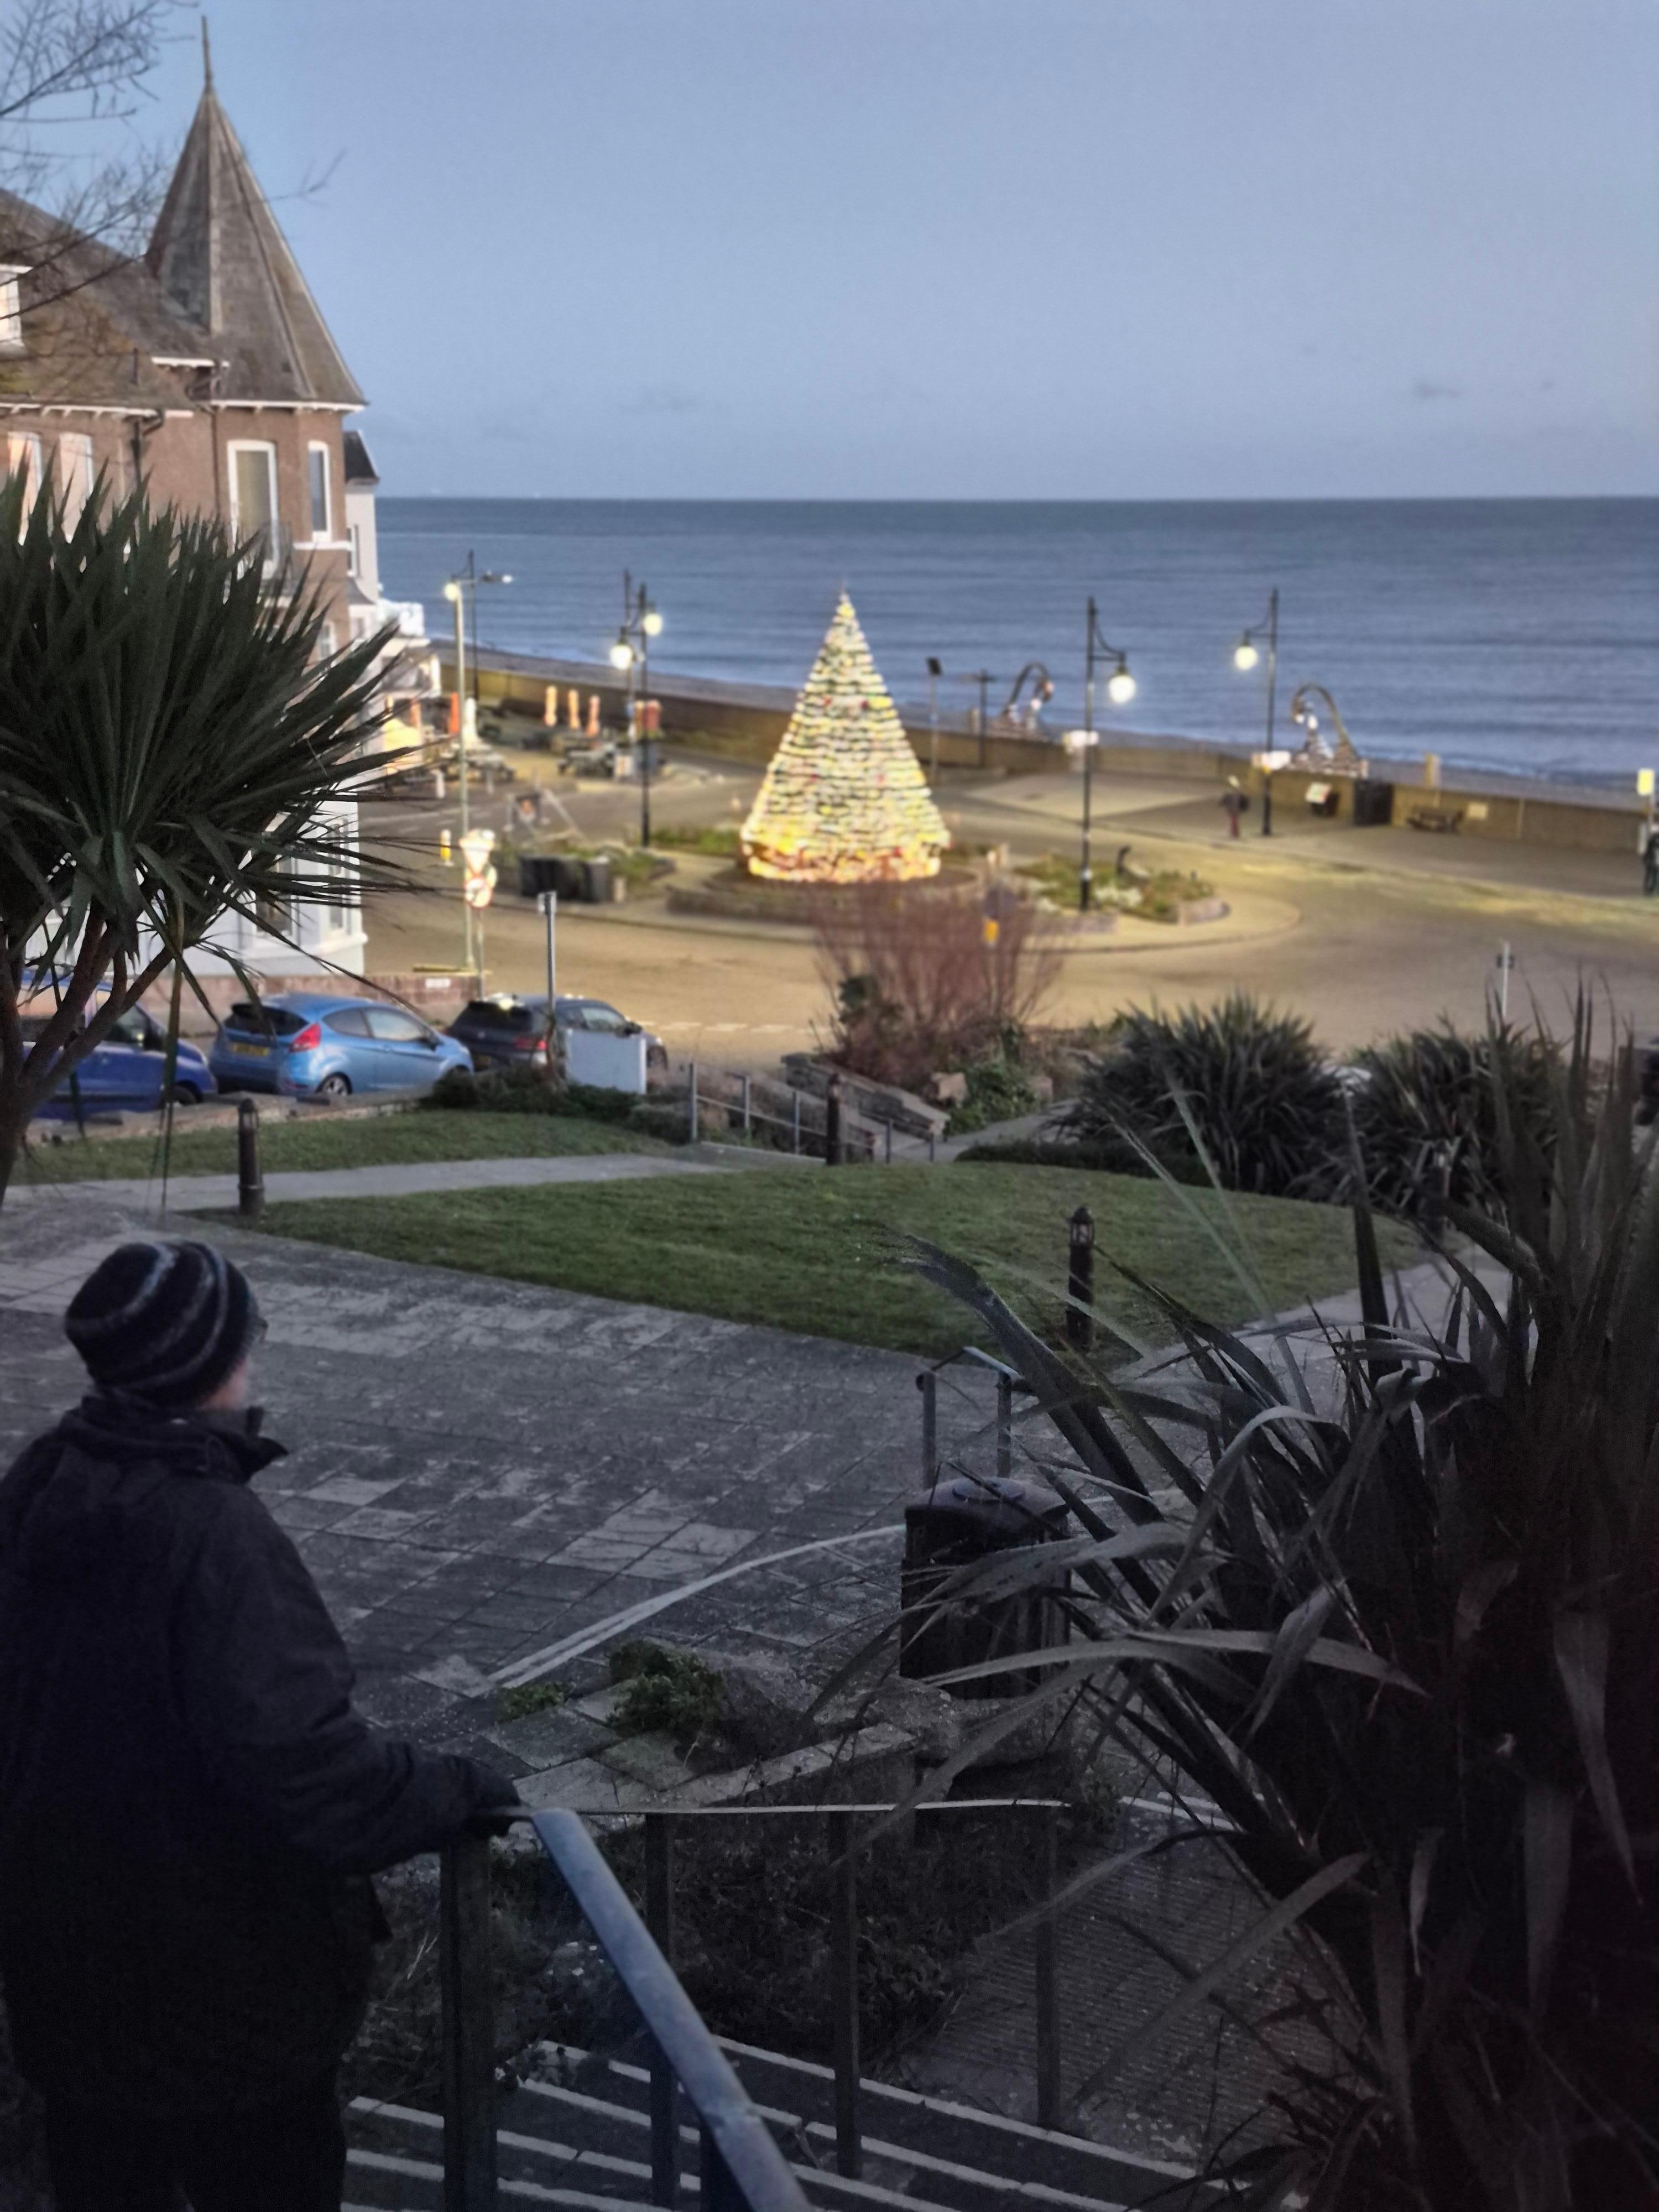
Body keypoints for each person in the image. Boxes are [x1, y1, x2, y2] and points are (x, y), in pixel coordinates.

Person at [0, 1241, 522, 2212]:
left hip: (71, 1992)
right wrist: (458, 1790)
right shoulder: (212, 1535)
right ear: (209, 1367)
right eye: (252, 1334)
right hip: (222, 2017)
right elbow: (313, 1770)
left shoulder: (41, 1480)